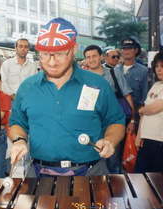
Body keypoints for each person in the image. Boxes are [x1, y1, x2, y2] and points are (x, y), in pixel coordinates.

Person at [8, 18, 126, 177]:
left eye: (59, 54)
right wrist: (19, 141)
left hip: (91, 173)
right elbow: (17, 123)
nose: (52, 62)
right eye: (44, 55)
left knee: (90, 204)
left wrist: (110, 140)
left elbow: (116, 121)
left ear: (74, 49)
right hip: (39, 173)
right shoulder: (27, 87)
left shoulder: (97, 84)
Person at [83, 44, 135, 173]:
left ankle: (115, 189)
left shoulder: (113, 72)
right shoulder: (82, 77)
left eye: (94, 56)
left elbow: (127, 95)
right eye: (88, 57)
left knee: (113, 159)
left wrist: (133, 119)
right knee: (94, 159)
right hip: (92, 125)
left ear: (101, 57)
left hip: (112, 124)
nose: (91, 59)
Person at [135, 52, 163, 173]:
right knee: (140, 176)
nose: (159, 70)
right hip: (146, 139)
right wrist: (139, 135)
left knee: (156, 180)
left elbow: (155, 107)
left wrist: (142, 109)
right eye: (157, 66)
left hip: (160, 140)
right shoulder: (156, 85)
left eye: (162, 66)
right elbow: (144, 114)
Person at [118, 38, 148, 117]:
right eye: (124, 48)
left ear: (136, 50)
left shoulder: (144, 71)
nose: (126, 51)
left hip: (136, 113)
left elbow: (145, 96)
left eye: (130, 48)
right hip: (117, 114)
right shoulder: (115, 70)